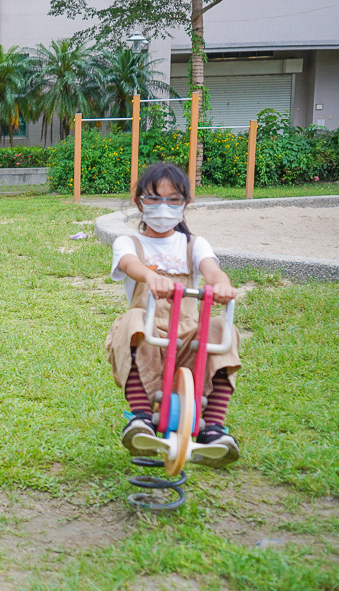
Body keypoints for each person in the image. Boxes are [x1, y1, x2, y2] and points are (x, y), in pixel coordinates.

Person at [106, 162, 241, 468]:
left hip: (189, 338)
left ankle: (214, 427)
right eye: (154, 198)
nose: (162, 207)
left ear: (185, 204)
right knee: (130, 321)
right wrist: (150, 277)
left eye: (173, 199)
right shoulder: (129, 242)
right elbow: (129, 264)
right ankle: (141, 418)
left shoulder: (194, 244)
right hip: (150, 339)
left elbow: (212, 269)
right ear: (138, 201)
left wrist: (221, 285)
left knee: (224, 329)